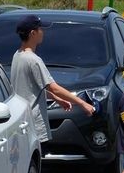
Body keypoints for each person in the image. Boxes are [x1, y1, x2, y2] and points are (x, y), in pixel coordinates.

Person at [9, 14, 96, 145]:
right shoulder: (33, 60)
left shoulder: (18, 55)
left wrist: (57, 99)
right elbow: (53, 87)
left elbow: (32, 88)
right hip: (33, 123)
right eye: (40, 29)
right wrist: (82, 103)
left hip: (22, 122)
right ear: (33, 33)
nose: (42, 32)